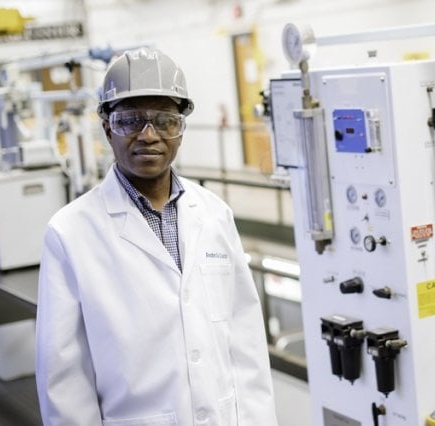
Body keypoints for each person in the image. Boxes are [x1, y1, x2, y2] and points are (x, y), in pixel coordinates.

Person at [34, 46, 279, 425]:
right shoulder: (70, 233)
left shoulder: (214, 215)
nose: (149, 136)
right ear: (106, 128)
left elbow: (246, 344)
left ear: (180, 129)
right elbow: (65, 381)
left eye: (165, 120)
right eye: (130, 121)